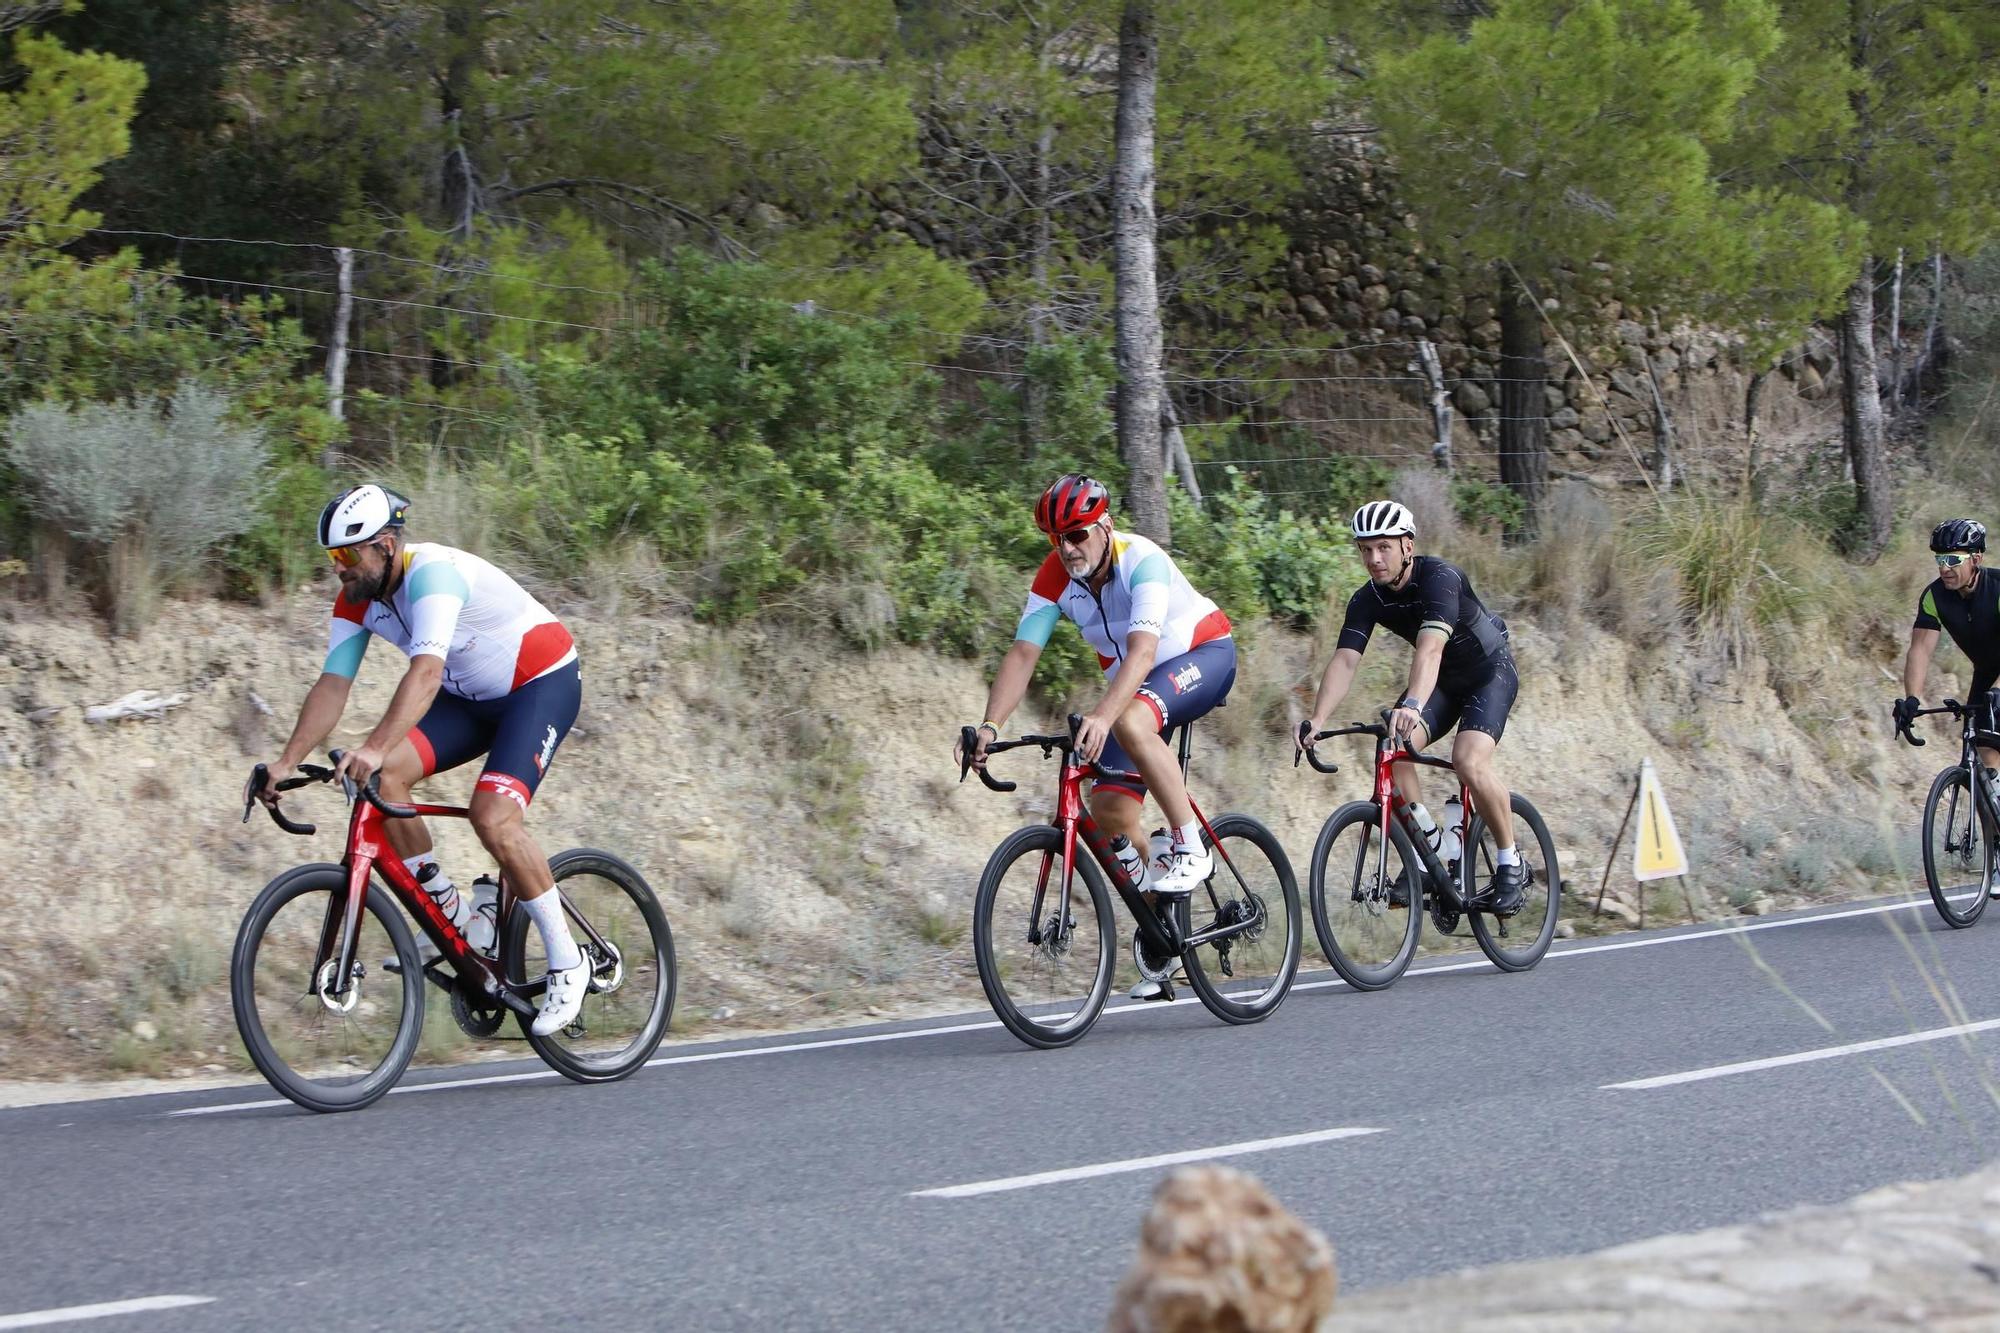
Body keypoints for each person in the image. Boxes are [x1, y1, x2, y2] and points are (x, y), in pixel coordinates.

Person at [253, 483, 590, 1036]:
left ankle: (568, 962)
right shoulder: (356, 599)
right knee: (386, 781)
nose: (336, 568)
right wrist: (287, 762)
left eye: (345, 555)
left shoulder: (431, 575)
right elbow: (333, 684)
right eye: (331, 557)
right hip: (472, 698)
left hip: (539, 684)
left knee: (492, 817)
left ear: (386, 545)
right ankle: (458, 920)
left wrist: (374, 743)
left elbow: (426, 674)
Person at [956, 474, 1236, 998]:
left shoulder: (1142, 560)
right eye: (1055, 538)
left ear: (1105, 525)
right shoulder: (1052, 578)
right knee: (1109, 811)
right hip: (1140, 685)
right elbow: (1022, 655)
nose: (1066, 548)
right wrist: (992, 723)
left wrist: (1104, 717)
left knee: (1128, 721)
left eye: (1077, 534)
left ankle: (1191, 846)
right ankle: (1164, 928)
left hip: (1203, 655)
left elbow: (1143, 653)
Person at [1297, 499, 1527, 914]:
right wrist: (1317, 719)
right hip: (1442, 682)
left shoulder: (1440, 578)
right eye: (1365, 550)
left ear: (1408, 545)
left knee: (1468, 762)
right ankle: (1428, 851)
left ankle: (1511, 864)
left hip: (1488, 673)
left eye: (1383, 547)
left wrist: (1414, 705)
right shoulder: (1367, 599)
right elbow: (1346, 659)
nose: (1374, 559)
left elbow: (1430, 648)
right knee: (1394, 748)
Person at [1897, 518, 2000, 802]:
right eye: (1940, 559)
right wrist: (1912, 698)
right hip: (1987, 674)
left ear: (1976, 558)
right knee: (1984, 757)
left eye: (1954, 559)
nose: (1945, 568)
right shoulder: (1934, 596)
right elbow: (1920, 649)